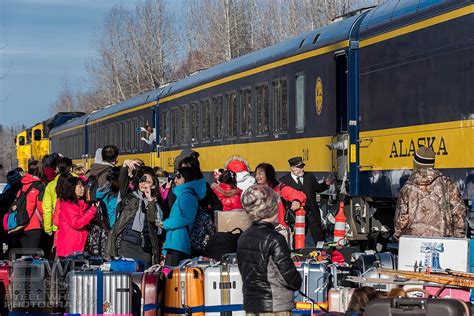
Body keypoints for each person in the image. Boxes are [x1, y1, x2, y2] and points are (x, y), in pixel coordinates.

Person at [237, 185, 302, 315]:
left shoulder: (243, 236)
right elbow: (288, 276)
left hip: (252, 304)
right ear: (272, 209)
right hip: (275, 305)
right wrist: (297, 281)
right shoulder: (275, 238)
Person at [394, 146, 467, 239]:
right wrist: (458, 236)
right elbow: (459, 212)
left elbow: (402, 219)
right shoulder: (448, 184)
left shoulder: (407, 188)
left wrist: (398, 235)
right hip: (443, 242)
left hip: (415, 242)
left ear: (416, 163)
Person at [106, 160, 162, 268]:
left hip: (145, 247)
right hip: (127, 244)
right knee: (126, 278)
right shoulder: (130, 197)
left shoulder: (155, 203)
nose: (144, 184)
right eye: (142, 181)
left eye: (148, 182)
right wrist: (124, 166)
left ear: (154, 186)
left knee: (142, 279)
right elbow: (123, 183)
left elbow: (152, 220)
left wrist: (150, 200)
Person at [279, 157, 334, 243]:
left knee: (319, 237)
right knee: (297, 239)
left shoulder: (309, 176)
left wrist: (325, 184)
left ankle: (322, 254)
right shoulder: (284, 181)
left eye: (302, 167)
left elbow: (317, 188)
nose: (302, 169)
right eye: (299, 167)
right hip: (296, 216)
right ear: (292, 168)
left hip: (312, 213)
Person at [162, 167, 207, 266]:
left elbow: (187, 217)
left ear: (186, 179)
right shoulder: (183, 194)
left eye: (179, 176)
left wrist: (166, 223)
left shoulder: (187, 195)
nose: (175, 179)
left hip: (179, 242)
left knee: (173, 275)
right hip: (175, 242)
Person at [55, 176, 97, 257]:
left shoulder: (80, 204)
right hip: (69, 249)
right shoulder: (67, 206)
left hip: (78, 246)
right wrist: (91, 211)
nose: (83, 188)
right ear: (72, 188)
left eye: (83, 186)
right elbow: (77, 223)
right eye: (80, 186)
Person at [255, 163, 306, 228]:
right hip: (261, 228)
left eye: (260, 174)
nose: (257, 176)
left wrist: (296, 201)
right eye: (256, 174)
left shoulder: (281, 189)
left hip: (280, 228)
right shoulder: (255, 191)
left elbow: (299, 195)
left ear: (269, 175)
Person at [14, 160, 45, 249]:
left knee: (25, 256)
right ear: (40, 170)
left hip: (20, 223)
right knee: (32, 257)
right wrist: (44, 222)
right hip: (34, 224)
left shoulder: (22, 183)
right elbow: (40, 205)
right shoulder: (39, 186)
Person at [42, 157, 73, 246]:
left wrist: (48, 228)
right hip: (74, 222)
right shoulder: (78, 181)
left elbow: (47, 208)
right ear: (71, 168)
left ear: (57, 169)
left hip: (57, 224)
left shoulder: (51, 185)